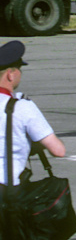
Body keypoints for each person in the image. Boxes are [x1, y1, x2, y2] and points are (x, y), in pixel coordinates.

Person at [1, 41, 65, 187]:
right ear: (10, 75)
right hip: (6, 192)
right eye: (18, 69)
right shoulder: (21, 107)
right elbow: (58, 151)